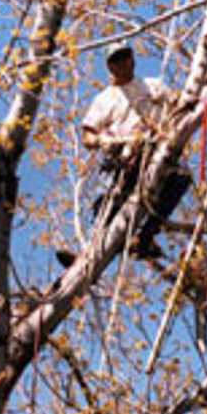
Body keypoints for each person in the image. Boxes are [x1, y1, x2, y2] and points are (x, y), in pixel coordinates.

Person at [57, 40, 191, 267]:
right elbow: (88, 135)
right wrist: (104, 141)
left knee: (180, 179)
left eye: (125, 57)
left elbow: (180, 105)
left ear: (133, 59)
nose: (122, 63)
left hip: (157, 149)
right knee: (108, 205)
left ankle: (146, 237)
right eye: (116, 60)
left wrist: (194, 98)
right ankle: (89, 255)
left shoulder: (153, 86)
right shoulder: (105, 99)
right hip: (125, 155)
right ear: (110, 66)